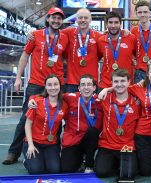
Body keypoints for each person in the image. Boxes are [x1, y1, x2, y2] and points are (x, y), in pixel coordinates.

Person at [2, 7, 68, 165]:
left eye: (59, 19)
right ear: (48, 19)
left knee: (56, 118)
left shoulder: (65, 37)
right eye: (53, 18)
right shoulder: (36, 35)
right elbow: (25, 56)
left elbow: (66, 58)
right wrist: (18, 78)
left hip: (56, 85)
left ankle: (54, 150)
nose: (56, 21)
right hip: (36, 84)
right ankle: (13, 153)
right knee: (26, 117)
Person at [95, 69, 140, 177]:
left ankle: (122, 163)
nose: (119, 84)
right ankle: (114, 163)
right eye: (116, 82)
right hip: (107, 145)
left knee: (128, 174)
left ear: (129, 82)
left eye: (122, 81)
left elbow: (144, 85)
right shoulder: (105, 98)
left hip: (127, 145)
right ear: (112, 83)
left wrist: (108, 88)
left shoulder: (137, 101)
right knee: (101, 172)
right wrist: (106, 89)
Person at [23, 74, 67, 174]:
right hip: (34, 143)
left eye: (56, 84)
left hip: (50, 144)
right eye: (49, 85)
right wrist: (30, 145)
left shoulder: (64, 105)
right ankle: (27, 161)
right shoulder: (36, 102)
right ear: (45, 87)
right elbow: (27, 125)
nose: (53, 87)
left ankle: (41, 159)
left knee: (54, 170)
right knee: (36, 171)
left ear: (60, 86)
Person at [61, 74, 103, 173]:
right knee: (66, 169)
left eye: (89, 84)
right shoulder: (71, 97)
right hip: (73, 140)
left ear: (94, 87)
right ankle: (81, 159)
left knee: (92, 131)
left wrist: (106, 89)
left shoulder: (100, 101)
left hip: (91, 140)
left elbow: (118, 93)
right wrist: (33, 98)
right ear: (79, 88)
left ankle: (89, 165)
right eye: (83, 85)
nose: (86, 87)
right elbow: (52, 93)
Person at [63, 8, 103, 93]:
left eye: (86, 18)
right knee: (72, 106)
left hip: (91, 83)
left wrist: (124, 31)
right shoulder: (68, 32)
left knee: (91, 106)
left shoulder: (98, 36)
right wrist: (31, 33)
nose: (83, 20)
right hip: (72, 83)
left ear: (90, 20)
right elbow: (53, 33)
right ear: (76, 19)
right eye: (80, 18)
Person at [97, 11, 136, 89]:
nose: (113, 25)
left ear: (120, 24)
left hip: (125, 85)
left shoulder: (131, 38)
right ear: (106, 24)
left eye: (116, 22)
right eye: (110, 22)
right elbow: (96, 59)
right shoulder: (101, 40)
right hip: (106, 85)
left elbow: (137, 56)